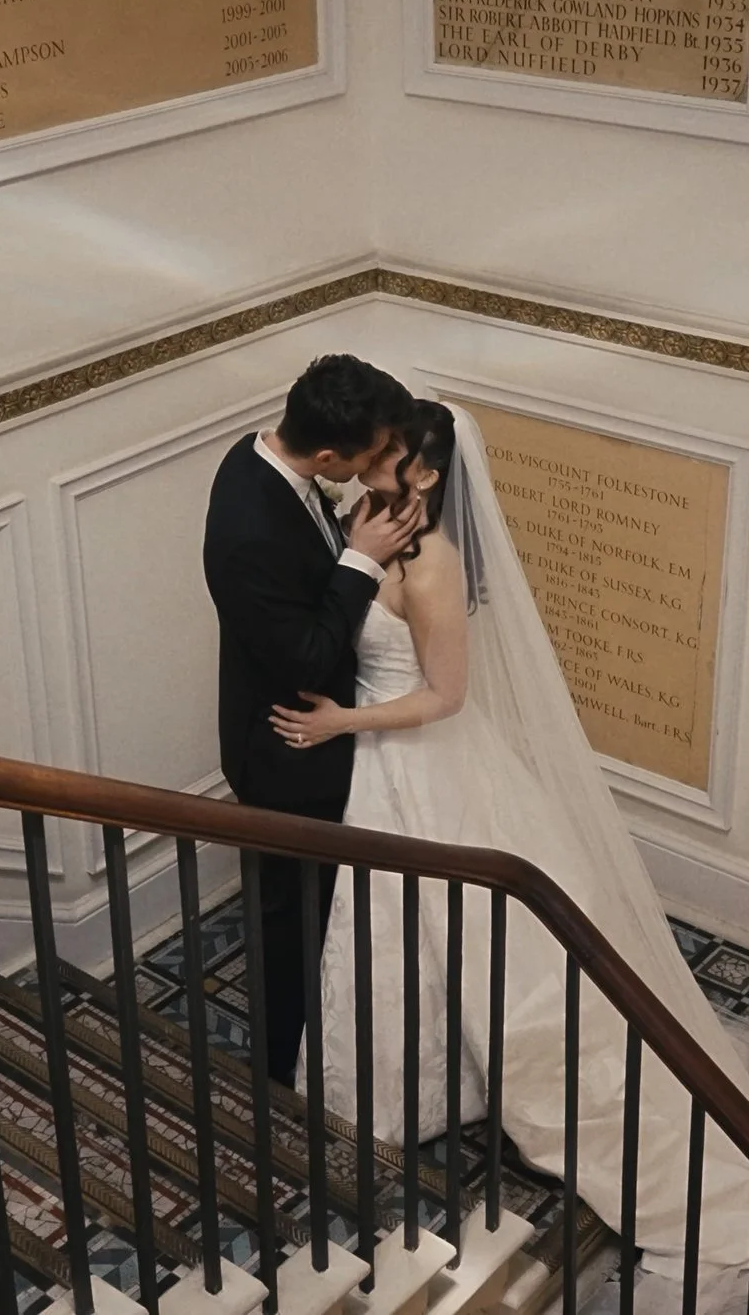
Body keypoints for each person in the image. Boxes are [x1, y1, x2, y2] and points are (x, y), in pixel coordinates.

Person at [268, 400, 749, 1307]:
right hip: (385, 771)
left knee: (492, 948)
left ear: (428, 473)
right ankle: (423, 1083)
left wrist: (341, 722)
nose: (366, 463)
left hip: (426, 762)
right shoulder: (371, 519)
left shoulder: (433, 562)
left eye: (387, 454)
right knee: (408, 935)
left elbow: (445, 696)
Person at [203, 354, 423, 1086]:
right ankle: (276, 1076)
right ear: (328, 456)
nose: (376, 468)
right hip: (285, 752)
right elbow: (304, 656)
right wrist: (360, 561)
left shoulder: (259, 456)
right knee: (288, 922)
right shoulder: (250, 529)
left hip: (327, 730)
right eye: (371, 454)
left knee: (328, 910)